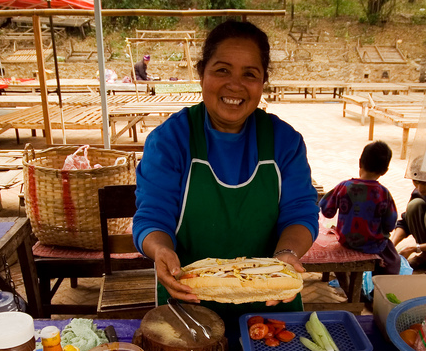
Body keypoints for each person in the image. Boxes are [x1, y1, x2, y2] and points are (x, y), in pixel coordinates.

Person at [133, 20, 319, 328]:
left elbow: (300, 212)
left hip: (271, 308)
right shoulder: (171, 140)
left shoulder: (285, 142)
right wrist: (161, 250)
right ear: (202, 73)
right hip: (188, 303)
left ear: (263, 82)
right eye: (222, 70)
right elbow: (152, 216)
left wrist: (287, 253)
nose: (235, 85)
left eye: (250, 74)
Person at [319, 141, 402, 284]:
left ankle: (348, 284)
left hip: (346, 241)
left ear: (360, 163)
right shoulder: (383, 193)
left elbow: (326, 211)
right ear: (385, 171)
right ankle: (377, 290)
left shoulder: (343, 187)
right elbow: (390, 224)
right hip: (374, 245)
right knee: (394, 260)